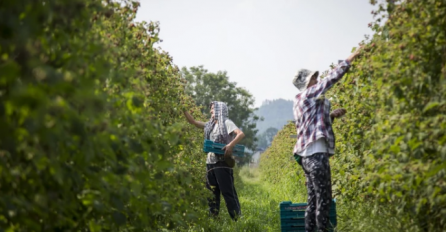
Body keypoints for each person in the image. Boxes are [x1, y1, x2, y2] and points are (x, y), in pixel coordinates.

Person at [292, 47, 362, 232]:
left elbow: (311, 124)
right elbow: (329, 81)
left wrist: (331, 116)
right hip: (316, 156)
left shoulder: (302, 100)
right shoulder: (308, 94)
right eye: (313, 78)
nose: (317, 80)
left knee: (313, 200)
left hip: (308, 157)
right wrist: (350, 59)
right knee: (324, 200)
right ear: (307, 83)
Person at [183, 101, 245, 220]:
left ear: (219, 109)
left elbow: (240, 134)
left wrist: (230, 145)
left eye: (212, 109)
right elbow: (193, 122)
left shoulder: (227, 122)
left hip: (222, 162)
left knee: (227, 192)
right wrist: (183, 109)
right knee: (212, 193)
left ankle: (237, 218)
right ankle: (213, 218)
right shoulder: (210, 125)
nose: (211, 111)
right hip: (210, 163)